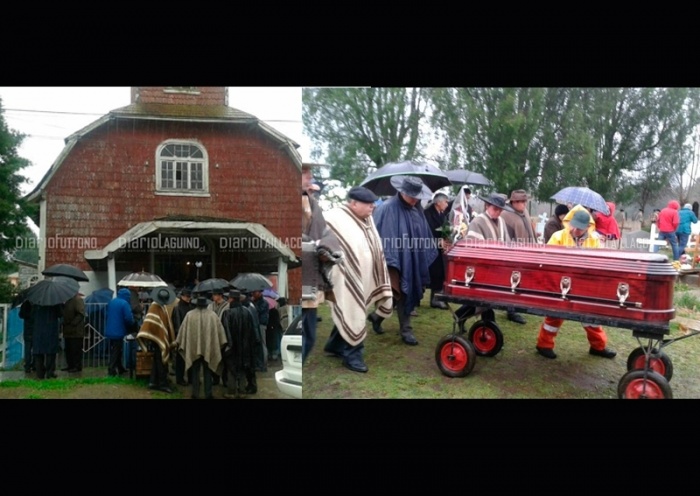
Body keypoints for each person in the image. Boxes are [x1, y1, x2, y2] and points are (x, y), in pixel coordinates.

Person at [322, 186, 394, 373]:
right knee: (352, 308)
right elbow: (323, 245)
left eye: (373, 203)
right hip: (343, 274)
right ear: (353, 203)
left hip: (363, 273)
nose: (373, 206)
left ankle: (334, 345)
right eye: (368, 203)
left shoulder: (366, 219)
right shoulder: (335, 218)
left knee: (354, 308)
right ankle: (352, 354)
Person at [535, 207, 617, 360]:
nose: (575, 230)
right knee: (555, 314)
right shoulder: (558, 236)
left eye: (579, 228)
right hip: (561, 282)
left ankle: (598, 346)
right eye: (573, 225)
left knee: (590, 316)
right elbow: (547, 258)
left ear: (587, 227)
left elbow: (600, 263)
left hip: (584, 285)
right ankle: (544, 344)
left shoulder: (594, 240)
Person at [368, 176, 437, 346]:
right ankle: (405, 329)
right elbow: (377, 235)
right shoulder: (387, 208)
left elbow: (423, 231)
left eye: (417, 196)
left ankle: (378, 317)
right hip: (392, 260)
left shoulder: (418, 208)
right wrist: (392, 258)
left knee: (403, 293)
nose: (415, 199)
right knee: (398, 292)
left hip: (412, 258)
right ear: (401, 191)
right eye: (411, 196)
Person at [301, 162, 342, 362]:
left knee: (308, 337)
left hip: (310, 281)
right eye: (304, 173)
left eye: (309, 173)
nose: (309, 177)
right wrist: (311, 243)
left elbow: (325, 232)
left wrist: (326, 248)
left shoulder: (312, 203)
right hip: (296, 280)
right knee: (301, 338)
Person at [174, 293, 228, 400]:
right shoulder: (212, 315)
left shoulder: (189, 315)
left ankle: (195, 394)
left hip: (193, 347)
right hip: (209, 347)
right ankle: (208, 394)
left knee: (195, 371)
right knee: (208, 371)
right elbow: (220, 333)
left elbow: (182, 332)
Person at [500, 189, 536, 325]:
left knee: (523, 280)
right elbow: (503, 237)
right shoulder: (506, 215)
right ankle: (511, 310)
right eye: (521, 202)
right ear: (514, 202)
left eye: (525, 201)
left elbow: (529, 229)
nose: (524, 204)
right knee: (513, 281)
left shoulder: (524, 212)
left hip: (527, 253)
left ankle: (519, 305)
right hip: (513, 255)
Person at [137, 286, 177, 393]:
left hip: (157, 337)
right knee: (161, 362)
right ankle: (162, 384)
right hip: (156, 338)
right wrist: (157, 335)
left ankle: (153, 382)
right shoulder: (155, 306)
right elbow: (151, 323)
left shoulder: (160, 306)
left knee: (157, 360)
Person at [221, 289, 258, 398]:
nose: (227, 300)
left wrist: (227, 346)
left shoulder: (227, 313)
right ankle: (242, 391)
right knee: (242, 368)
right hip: (245, 347)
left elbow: (225, 332)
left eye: (229, 298)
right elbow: (253, 330)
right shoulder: (247, 312)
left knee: (231, 369)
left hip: (232, 346)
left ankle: (231, 392)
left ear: (232, 299)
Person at [423, 192, 452, 309]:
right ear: (438, 202)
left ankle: (436, 299)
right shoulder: (427, 214)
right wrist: (438, 241)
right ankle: (416, 301)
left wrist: (447, 238)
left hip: (439, 249)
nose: (447, 204)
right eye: (445, 201)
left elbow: (444, 228)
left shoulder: (442, 214)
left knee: (439, 273)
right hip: (428, 248)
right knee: (430, 274)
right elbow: (426, 232)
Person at [105, 287, 134, 376]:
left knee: (116, 349)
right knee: (117, 350)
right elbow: (128, 318)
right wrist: (132, 324)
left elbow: (106, 313)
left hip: (109, 330)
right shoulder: (125, 303)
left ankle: (120, 367)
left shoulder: (112, 301)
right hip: (118, 331)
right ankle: (111, 369)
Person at [31, 302, 64, 379]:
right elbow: (60, 314)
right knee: (51, 353)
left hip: (38, 330)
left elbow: (30, 315)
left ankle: (39, 374)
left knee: (38, 353)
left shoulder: (36, 302)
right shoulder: (55, 302)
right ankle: (50, 372)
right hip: (51, 329)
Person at [171, 287, 195, 386]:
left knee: (189, 358)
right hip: (181, 335)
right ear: (182, 296)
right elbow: (177, 323)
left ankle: (189, 378)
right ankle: (180, 379)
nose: (188, 298)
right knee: (180, 359)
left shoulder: (189, 307)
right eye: (186, 296)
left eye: (189, 296)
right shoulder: (178, 308)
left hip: (187, 334)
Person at [207, 288, 230, 384]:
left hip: (223, 334)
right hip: (212, 334)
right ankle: (215, 378)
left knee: (224, 359)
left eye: (214, 295)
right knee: (213, 356)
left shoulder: (227, 306)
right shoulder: (210, 305)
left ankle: (225, 379)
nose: (213, 297)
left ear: (220, 295)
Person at [61, 292, 86, 372]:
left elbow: (81, 314)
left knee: (76, 349)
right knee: (68, 349)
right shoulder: (68, 301)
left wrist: (73, 323)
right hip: (68, 330)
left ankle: (77, 366)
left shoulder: (77, 300)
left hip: (76, 331)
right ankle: (70, 365)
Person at [19, 300, 35, 373]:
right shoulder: (37, 304)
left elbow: (21, 315)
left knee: (27, 349)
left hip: (27, 329)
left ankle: (27, 366)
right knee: (35, 349)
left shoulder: (25, 304)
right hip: (36, 330)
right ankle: (35, 365)